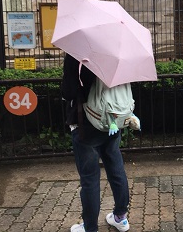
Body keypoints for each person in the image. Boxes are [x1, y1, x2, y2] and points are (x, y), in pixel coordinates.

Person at [61, 53, 130, 232]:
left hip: (86, 124)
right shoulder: (115, 53)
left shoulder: (76, 54)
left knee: (90, 179)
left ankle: (90, 227)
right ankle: (120, 217)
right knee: (116, 169)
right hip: (112, 121)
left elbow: (68, 91)